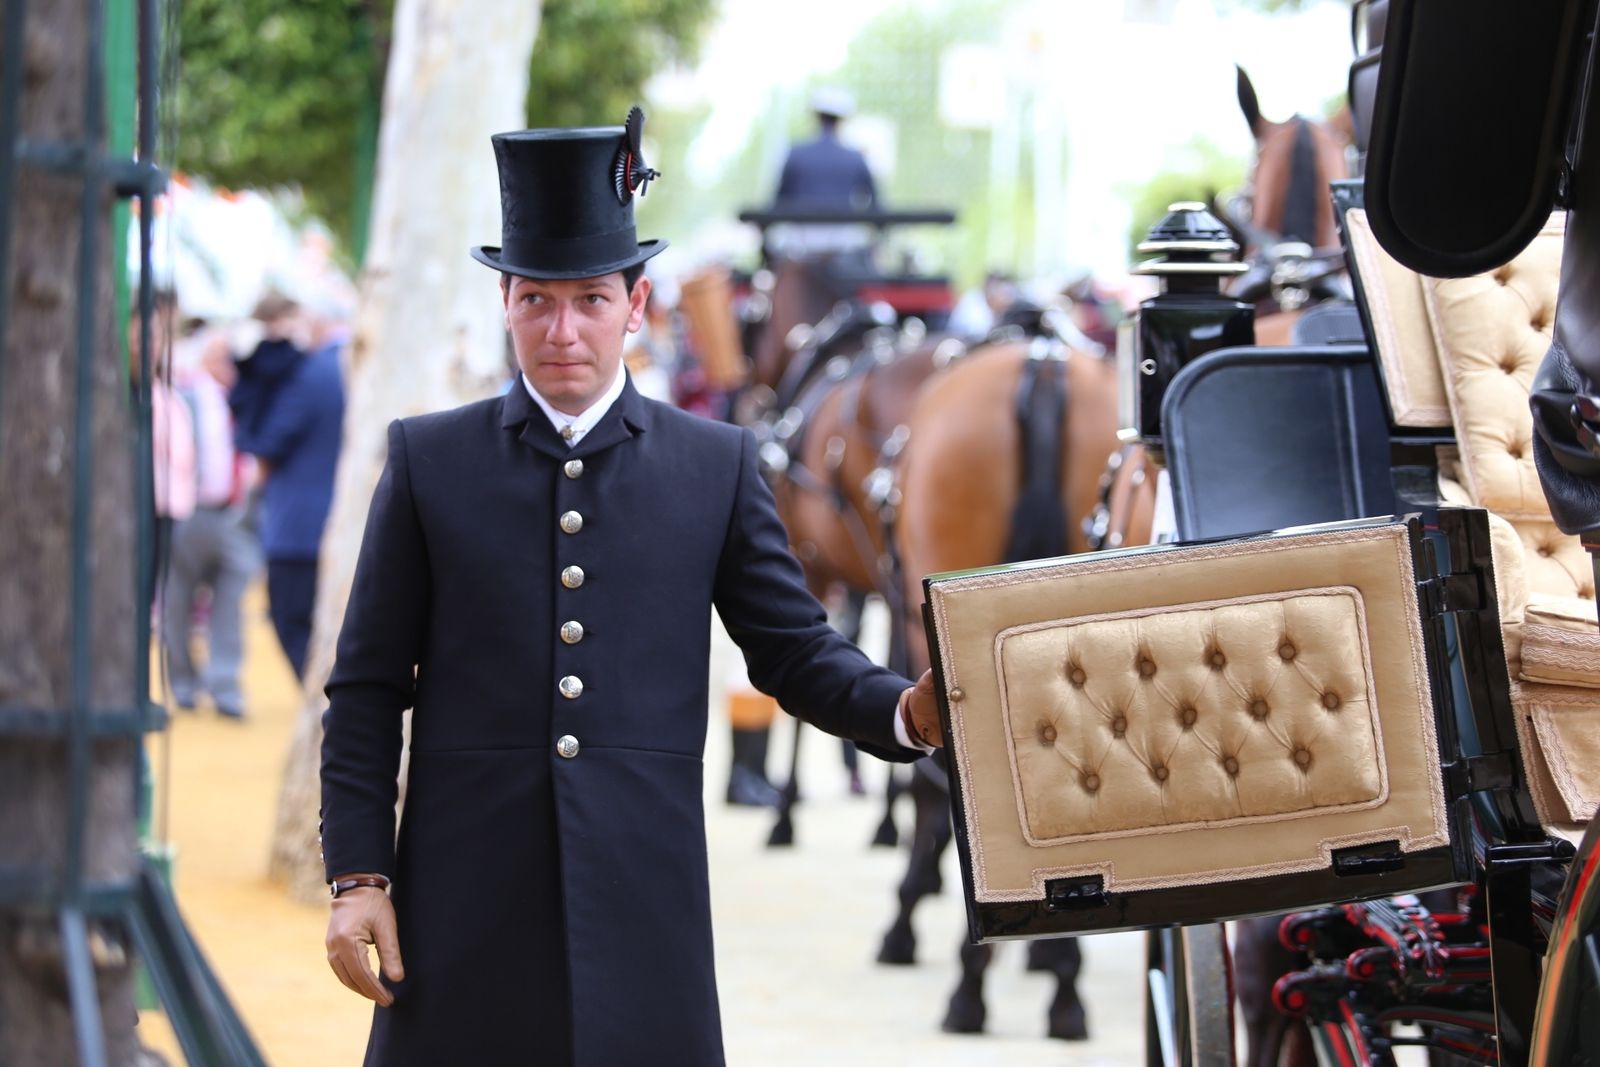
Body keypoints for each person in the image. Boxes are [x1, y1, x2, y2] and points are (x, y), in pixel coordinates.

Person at [319, 112, 944, 1066]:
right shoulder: (428, 461)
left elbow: (791, 649)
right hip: (460, 899)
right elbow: (365, 688)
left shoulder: (715, 465)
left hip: (643, 900)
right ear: (504, 301)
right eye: (536, 300)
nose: (563, 330)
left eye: (591, 300)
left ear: (636, 303)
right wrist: (359, 875)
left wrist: (903, 711)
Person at [232, 292, 345, 680]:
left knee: (292, 621)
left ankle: (324, 707)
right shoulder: (334, 368)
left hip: (299, 529)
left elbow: (267, 442)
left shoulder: (306, 375)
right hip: (326, 521)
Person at [161, 323, 262, 718]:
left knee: (231, 599)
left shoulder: (242, 399)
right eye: (220, 357)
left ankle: (224, 685)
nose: (228, 365)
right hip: (189, 511)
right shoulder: (183, 395)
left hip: (232, 514)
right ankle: (183, 683)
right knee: (177, 601)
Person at [775, 87, 877, 209]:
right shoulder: (855, 158)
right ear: (842, 120)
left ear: (817, 117)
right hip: (842, 221)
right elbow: (876, 206)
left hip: (801, 221)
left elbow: (779, 202)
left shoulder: (796, 154)